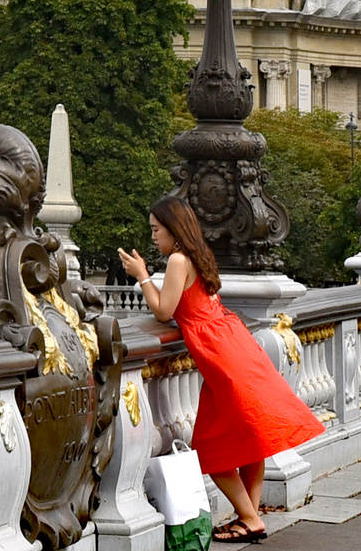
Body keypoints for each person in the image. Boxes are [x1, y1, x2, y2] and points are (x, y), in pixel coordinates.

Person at [118, 197, 325, 544]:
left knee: (212, 449)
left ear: (173, 229)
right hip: (233, 342)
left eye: (156, 229)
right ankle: (251, 517)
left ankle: (249, 517)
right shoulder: (200, 254)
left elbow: (164, 312)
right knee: (251, 437)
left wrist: (142, 277)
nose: (153, 236)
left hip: (219, 356)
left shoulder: (177, 260)